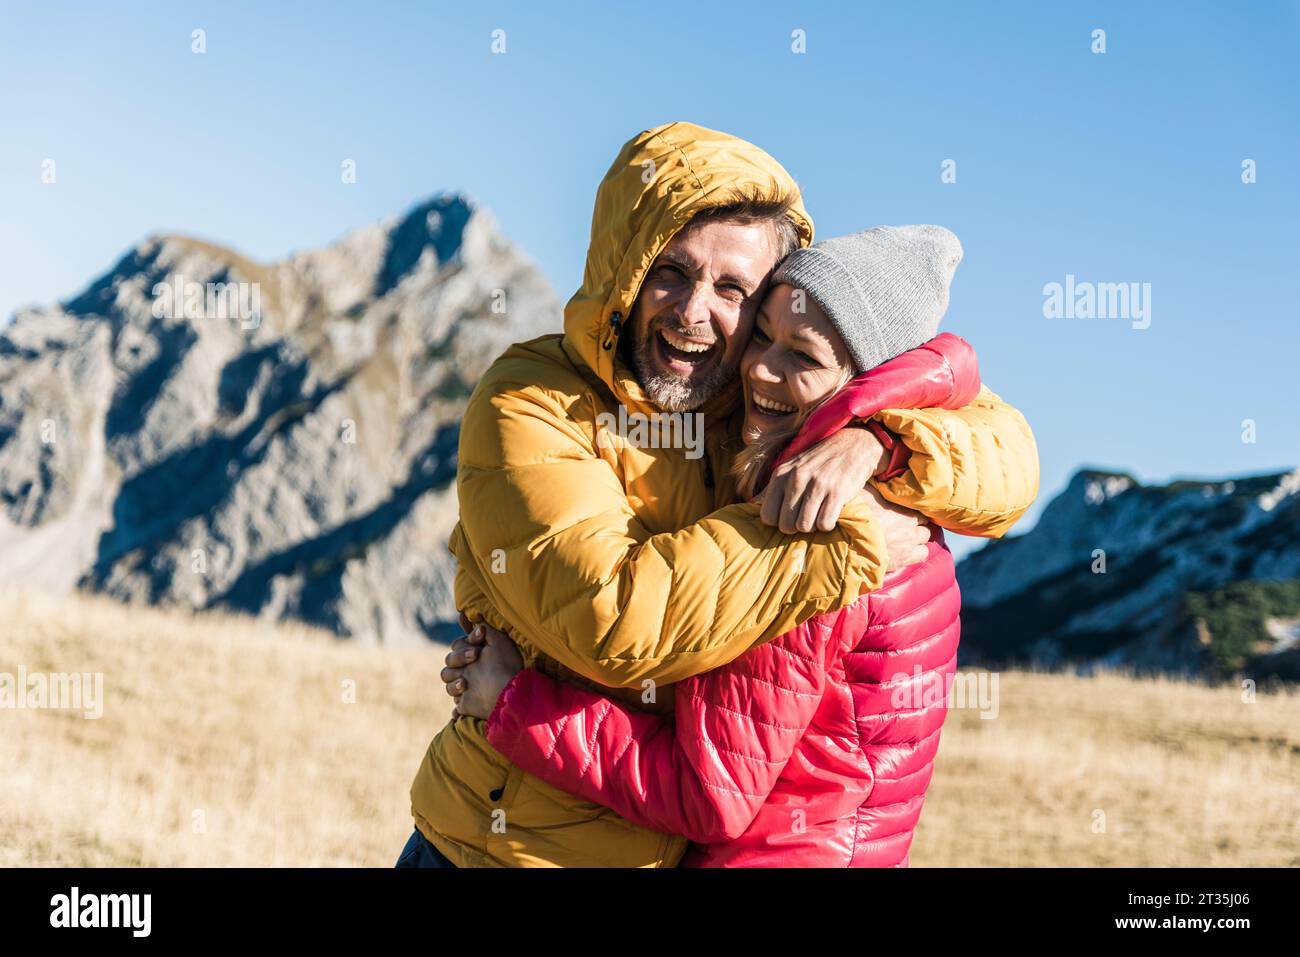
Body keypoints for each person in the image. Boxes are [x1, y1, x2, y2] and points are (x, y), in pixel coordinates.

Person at [406, 122, 1039, 868]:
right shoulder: (533, 399)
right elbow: (613, 620)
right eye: (672, 270)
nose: (694, 310)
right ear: (625, 264)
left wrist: (880, 444)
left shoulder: (746, 408)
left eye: (733, 287)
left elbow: (1006, 453)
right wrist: (850, 534)